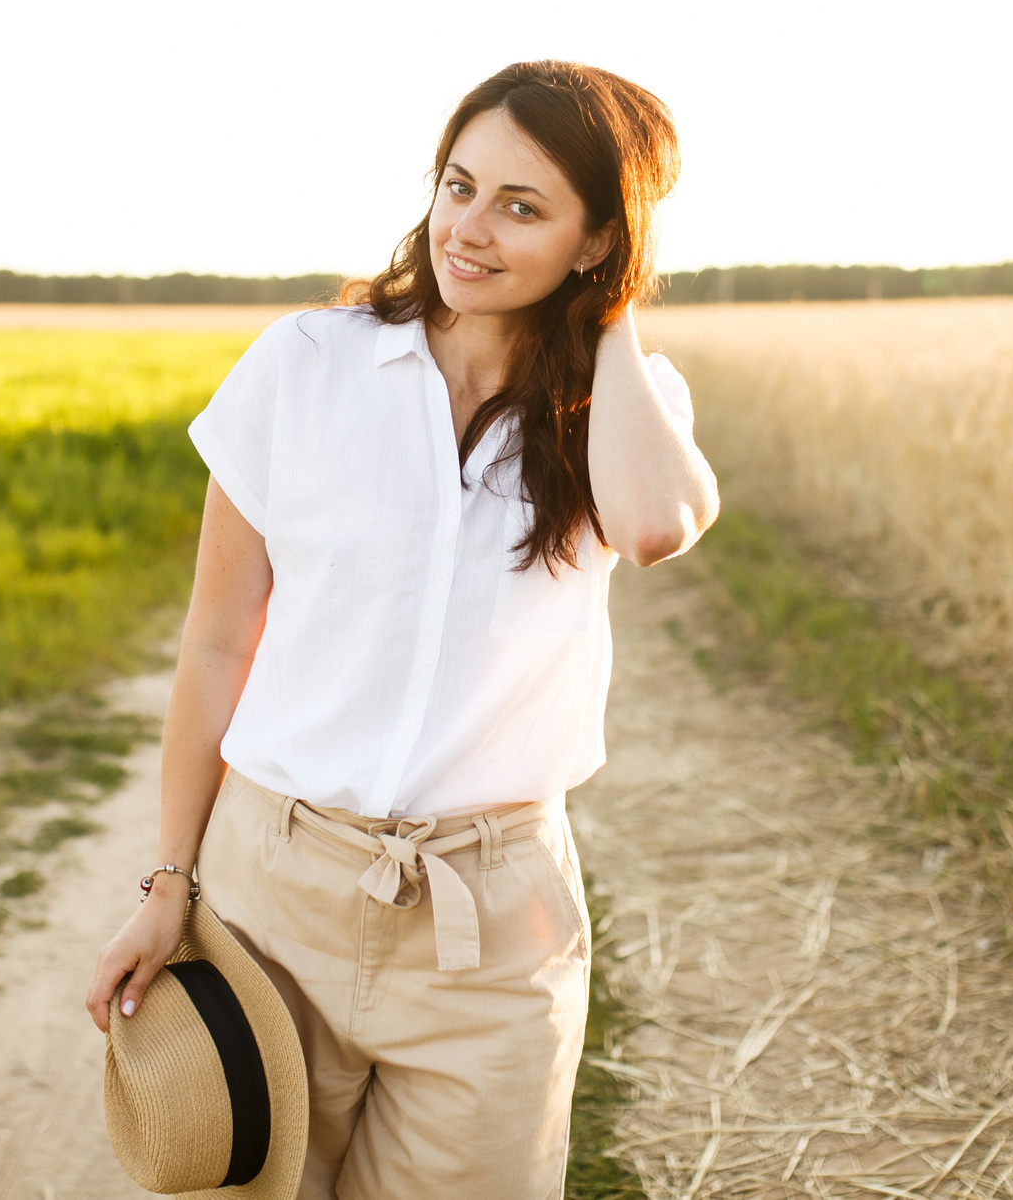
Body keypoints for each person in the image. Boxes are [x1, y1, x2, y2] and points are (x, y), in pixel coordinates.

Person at [85, 61, 719, 1199]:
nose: (467, 231)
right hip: (275, 899)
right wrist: (166, 881)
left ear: (596, 243)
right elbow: (220, 635)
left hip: (494, 928)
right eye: (458, 185)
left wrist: (610, 314)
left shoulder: (623, 408)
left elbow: (658, 525)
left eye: (522, 208)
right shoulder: (307, 364)